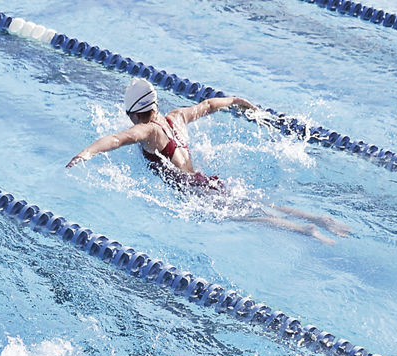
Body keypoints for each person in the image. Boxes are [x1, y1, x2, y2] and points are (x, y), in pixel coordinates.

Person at [67, 78, 349, 241]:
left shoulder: (149, 131)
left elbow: (118, 139)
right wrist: (237, 100)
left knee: (250, 217)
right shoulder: (175, 116)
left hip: (195, 193)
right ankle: (317, 218)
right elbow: (209, 105)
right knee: (258, 204)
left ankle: (305, 230)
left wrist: (86, 153)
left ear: (134, 114)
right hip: (204, 181)